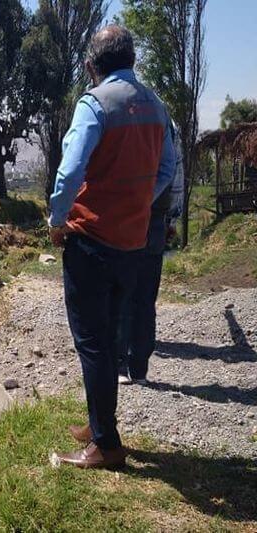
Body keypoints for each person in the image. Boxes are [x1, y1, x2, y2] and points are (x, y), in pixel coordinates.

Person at [48, 25, 176, 469]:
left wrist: (57, 219)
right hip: (132, 243)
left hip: (91, 242)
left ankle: (104, 445)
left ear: (91, 64)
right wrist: (139, 202)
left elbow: (69, 173)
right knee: (111, 338)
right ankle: (98, 421)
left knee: (93, 343)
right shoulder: (157, 106)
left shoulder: (95, 104)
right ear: (132, 60)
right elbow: (168, 170)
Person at [117, 125, 184, 384]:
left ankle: (120, 365)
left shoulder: (117, 113)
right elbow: (175, 171)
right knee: (145, 298)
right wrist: (173, 218)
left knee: (121, 292)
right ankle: (140, 368)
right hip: (155, 216)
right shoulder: (167, 122)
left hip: (122, 216)